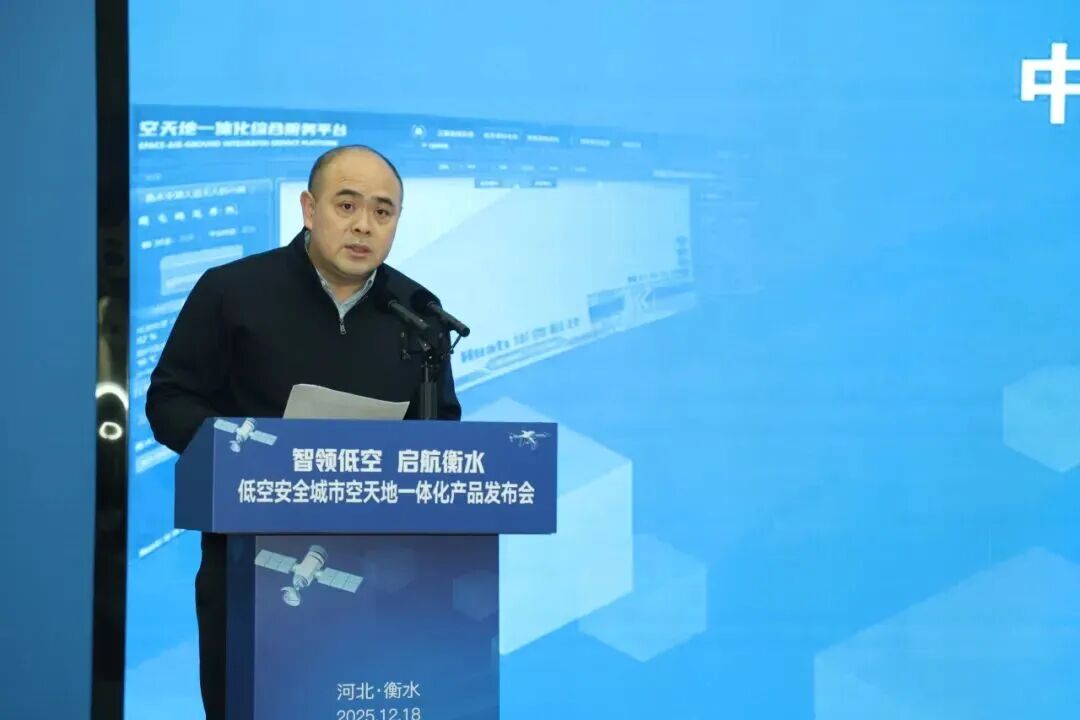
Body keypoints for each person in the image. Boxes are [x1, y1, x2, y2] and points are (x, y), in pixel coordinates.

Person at [145, 144, 461, 720]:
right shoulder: (232, 291)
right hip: (250, 564)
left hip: (375, 575)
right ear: (309, 209)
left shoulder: (417, 314)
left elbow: (441, 428)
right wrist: (251, 452)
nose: (364, 225)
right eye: (347, 205)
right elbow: (169, 400)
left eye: (383, 211)